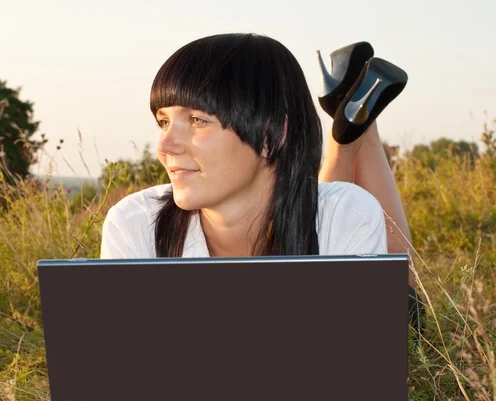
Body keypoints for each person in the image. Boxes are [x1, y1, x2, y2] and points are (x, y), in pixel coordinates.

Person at [99, 33, 423, 330]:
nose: (164, 146)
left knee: (406, 311)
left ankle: (352, 129)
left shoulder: (346, 213)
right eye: (163, 122)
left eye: (197, 120)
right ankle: (354, 122)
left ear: (270, 134)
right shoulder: (136, 224)